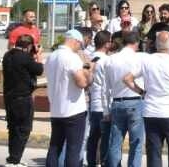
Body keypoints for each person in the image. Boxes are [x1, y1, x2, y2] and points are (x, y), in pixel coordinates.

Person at [123, 31, 169, 167]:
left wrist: (141, 92)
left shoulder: (147, 60)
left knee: (154, 153)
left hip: (151, 112)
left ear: (156, 44)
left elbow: (127, 79)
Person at [44, 29, 93, 167]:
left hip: (56, 109)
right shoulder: (72, 57)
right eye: (80, 45)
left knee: (55, 147)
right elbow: (81, 83)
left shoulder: (51, 56)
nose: (80, 48)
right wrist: (88, 73)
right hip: (73, 111)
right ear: (75, 41)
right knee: (73, 149)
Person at [104, 31, 146, 167]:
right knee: (136, 143)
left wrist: (106, 110)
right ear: (136, 43)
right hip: (135, 101)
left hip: (117, 102)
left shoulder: (111, 59)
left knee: (115, 142)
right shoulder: (141, 58)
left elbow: (106, 88)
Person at [2, 33, 44, 167]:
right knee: (23, 129)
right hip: (23, 98)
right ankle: (14, 161)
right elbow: (39, 70)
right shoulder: (25, 58)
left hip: (9, 97)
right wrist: (38, 56)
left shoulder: (7, 55)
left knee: (13, 128)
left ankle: (13, 158)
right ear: (29, 46)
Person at [86, 30, 113, 167]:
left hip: (93, 103)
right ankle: (103, 162)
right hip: (105, 105)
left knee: (93, 136)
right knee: (105, 138)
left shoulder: (89, 58)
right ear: (107, 44)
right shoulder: (107, 61)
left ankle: (91, 162)